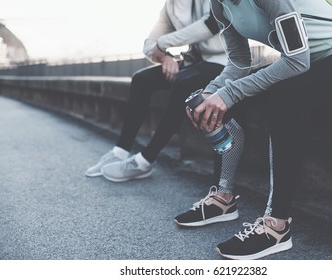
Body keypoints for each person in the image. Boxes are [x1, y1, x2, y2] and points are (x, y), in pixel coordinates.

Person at [180, 0, 332, 260]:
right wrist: (212, 91)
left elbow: (296, 61)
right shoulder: (219, 5)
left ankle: (277, 226)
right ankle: (223, 197)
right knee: (218, 102)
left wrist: (229, 93)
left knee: (282, 99)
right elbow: (239, 64)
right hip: (311, 64)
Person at [85, 0, 245, 216]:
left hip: (223, 64)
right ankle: (120, 151)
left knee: (182, 82)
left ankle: (145, 159)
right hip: (193, 64)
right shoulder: (169, 8)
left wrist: (163, 44)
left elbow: (210, 24)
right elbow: (148, 44)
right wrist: (164, 55)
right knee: (141, 79)